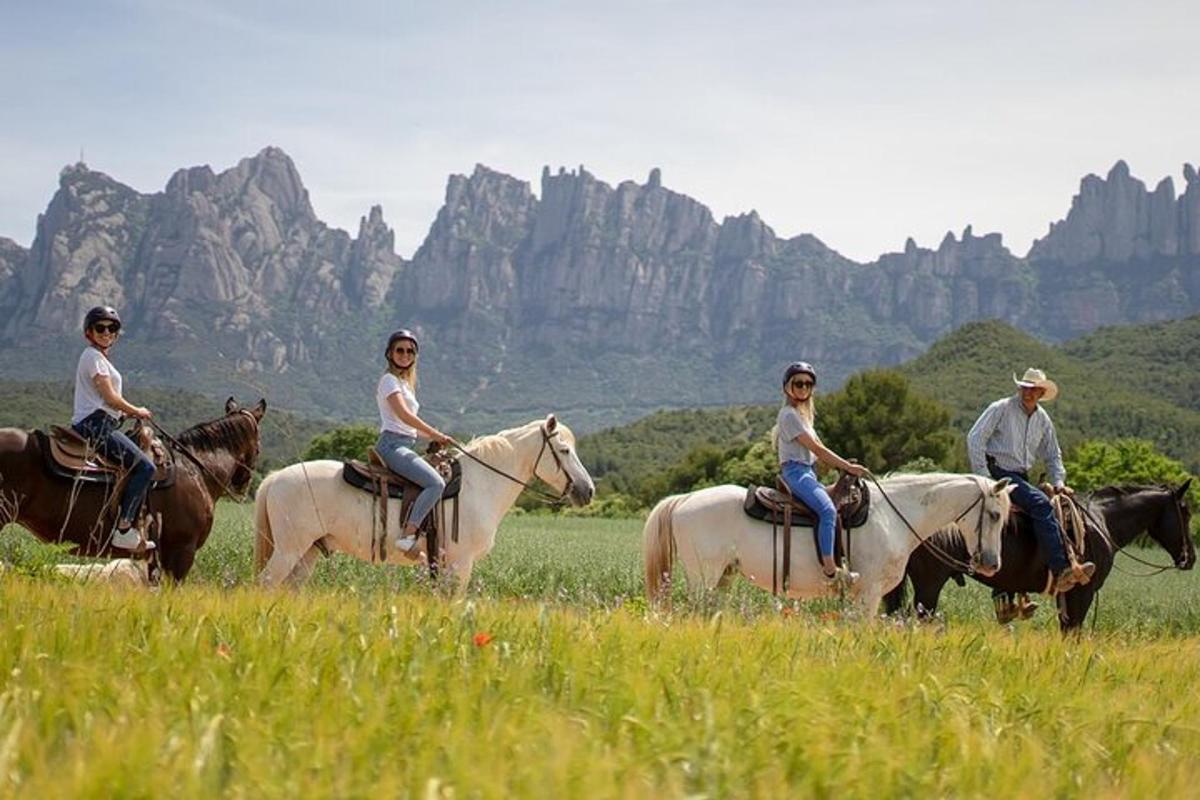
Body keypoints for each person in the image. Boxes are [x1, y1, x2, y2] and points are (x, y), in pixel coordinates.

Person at [967, 368, 1094, 594]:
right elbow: (975, 438)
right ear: (1019, 388)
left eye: (1034, 389)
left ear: (1041, 392)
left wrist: (1059, 481)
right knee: (1041, 505)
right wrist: (985, 478)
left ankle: (1010, 591)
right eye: (1025, 388)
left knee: (1040, 511)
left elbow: (1053, 454)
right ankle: (1061, 568)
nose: (1028, 393)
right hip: (998, 472)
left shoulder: (1043, 419)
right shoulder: (1001, 408)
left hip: (1020, 476)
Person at [775, 361, 869, 584]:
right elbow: (816, 449)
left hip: (808, 472)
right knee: (827, 511)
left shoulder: (804, 417)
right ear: (787, 387)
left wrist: (844, 467)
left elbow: (819, 450)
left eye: (808, 384)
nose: (804, 388)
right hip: (796, 474)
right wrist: (847, 467)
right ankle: (830, 570)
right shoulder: (789, 415)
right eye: (798, 383)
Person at [71, 306, 156, 551]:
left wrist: (126, 412)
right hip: (95, 426)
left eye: (112, 328)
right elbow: (109, 397)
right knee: (144, 467)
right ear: (89, 332)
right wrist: (136, 410)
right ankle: (124, 529)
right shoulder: (92, 357)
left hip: (102, 423)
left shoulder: (99, 358)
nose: (107, 332)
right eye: (100, 328)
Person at [375, 329, 452, 552]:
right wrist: (436, 433)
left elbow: (409, 426)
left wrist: (435, 438)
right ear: (390, 353)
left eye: (410, 351)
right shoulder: (389, 381)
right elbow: (404, 416)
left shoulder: (406, 384)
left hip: (405, 443)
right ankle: (408, 536)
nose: (405, 354)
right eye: (400, 350)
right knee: (436, 483)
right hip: (392, 445)